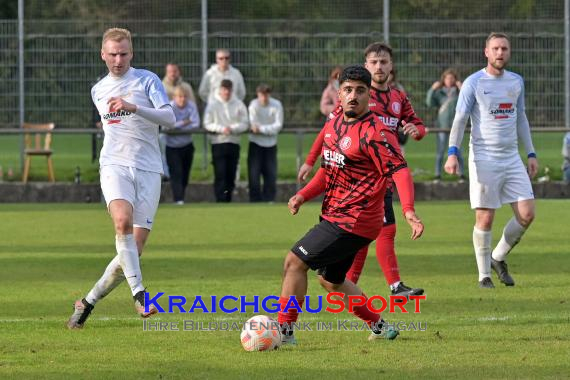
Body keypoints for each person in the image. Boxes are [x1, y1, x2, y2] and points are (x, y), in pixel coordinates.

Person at [279, 65, 424, 346]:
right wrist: (303, 195)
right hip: (338, 216)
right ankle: (380, 326)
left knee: (294, 262)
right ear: (339, 94)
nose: (353, 95)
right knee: (331, 281)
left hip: (354, 219)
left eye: (360, 90)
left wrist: (409, 211)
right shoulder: (334, 125)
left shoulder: (376, 133)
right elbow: (329, 169)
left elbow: (400, 171)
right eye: (348, 90)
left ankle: (284, 332)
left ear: (369, 95)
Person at [298, 42, 426, 299]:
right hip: (355, 180)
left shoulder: (399, 98)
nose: (379, 66)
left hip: (382, 175)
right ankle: (360, 285)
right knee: (367, 235)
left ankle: (373, 286)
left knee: (376, 233)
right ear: (366, 66)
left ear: (391, 66)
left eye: (384, 62)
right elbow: (329, 130)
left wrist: (417, 131)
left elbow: (417, 126)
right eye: (374, 62)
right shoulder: (355, 98)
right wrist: (311, 160)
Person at [67, 28, 175, 329]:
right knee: (122, 223)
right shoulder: (98, 89)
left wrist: (134, 107)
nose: (118, 60)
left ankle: (87, 301)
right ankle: (140, 295)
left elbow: (170, 118)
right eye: (113, 54)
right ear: (103, 54)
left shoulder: (147, 80)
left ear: (132, 53)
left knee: (131, 254)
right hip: (114, 165)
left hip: (149, 169)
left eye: (123, 54)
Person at [444, 32, 538, 288]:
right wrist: (453, 152)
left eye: (504, 49)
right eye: (495, 48)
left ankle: (498, 257)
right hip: (483, 158)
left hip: (511, 157)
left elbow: (520, 118)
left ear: (509, 52)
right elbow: (460, 119)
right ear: (486, 52)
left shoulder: (516, 81)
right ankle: (484, 275)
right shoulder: (474, 83)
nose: (500, 53)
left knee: (527, 214)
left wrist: (530, 153)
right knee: (485, 218)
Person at [204, 79, 248, 202]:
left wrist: (232, 128)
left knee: (231, 173)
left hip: (233, 142)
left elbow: (245, 123)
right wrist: (221, 129)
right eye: (224, 89)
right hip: (218, 142)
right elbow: (207, 123)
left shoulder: (239, 104)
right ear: (220, 90)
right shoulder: (213, 104)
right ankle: (220, 199)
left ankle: (227, 199)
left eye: (228, 90)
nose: (226, 92)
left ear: (231, 90)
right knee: (220, 172)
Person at [426, 68, 465, 181]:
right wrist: (432, 89)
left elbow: (467, 101)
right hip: (441, 127)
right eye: (447, 78)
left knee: (459, 152)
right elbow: (429, 103)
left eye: (452, 78)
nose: (449, 80)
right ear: (444, 79)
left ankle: (461, 174)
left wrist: (461, 88)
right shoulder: (439, 93)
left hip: (456, 127)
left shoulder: (458, 93)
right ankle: (438, 175)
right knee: (440, 152)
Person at [165, 83, 200, 205]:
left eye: (185, 96)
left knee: (185, 174)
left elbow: (195, 124)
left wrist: (177, 126)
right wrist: (184, 123)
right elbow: (167, 126)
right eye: (179, 96)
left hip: (187, 145)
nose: (182, 99)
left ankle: (181, 197)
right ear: (174, 97)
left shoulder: (191, 106)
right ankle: (178, 199)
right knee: (176, 173)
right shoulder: (170, 107)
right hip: (172, 147)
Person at [247, 84, 283, 202]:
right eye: (261, 94)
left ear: (269, 94)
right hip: (255, 144)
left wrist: (262, 129)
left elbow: (277, 126)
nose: (264, 97)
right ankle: (255, 201)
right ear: (258, 95)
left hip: (271, 144)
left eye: (266, 94)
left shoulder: (276, 105)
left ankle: (269, 200)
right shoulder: (253, 105)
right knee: (254, 175)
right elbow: (253, 125)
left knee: (271, 174)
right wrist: (267, 129)